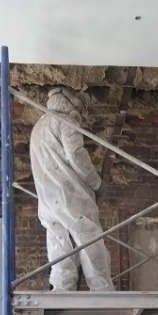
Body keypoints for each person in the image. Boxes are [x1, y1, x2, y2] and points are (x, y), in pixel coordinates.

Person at [29, 86, 114, 291]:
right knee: (89, 238)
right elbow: (76, 155)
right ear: (70, 103)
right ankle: (101, 289)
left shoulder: (38, 128)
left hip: (47, 200)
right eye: (79, 106)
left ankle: (61, 288)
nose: (81, 112)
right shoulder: (65, 121)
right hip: (70, 195)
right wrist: (96, 183)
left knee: (59, 244)